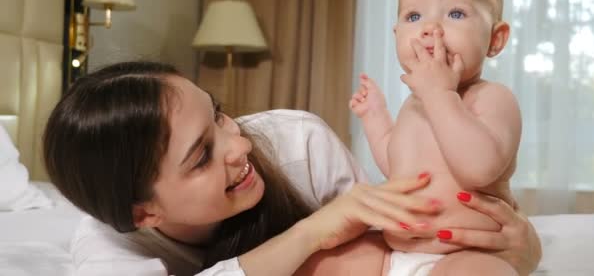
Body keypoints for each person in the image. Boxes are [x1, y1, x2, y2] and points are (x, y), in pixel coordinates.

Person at [44, 61, 540, 276]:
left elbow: (397, 257)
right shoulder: (109, 239)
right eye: (201, 156)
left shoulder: (297, 141)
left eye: (218, 114)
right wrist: (310, 233)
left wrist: (519, 247)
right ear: (144, 212)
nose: (238, 145)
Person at [351, 0, 526, 275]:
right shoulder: (413, 105)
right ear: (396, 34)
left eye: (456, 13)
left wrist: (440, 95)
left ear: (495, 39)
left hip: (465, 253)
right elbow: (399, 169)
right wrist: (376, 119)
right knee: (329, 257)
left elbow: (479, 169)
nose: (430, 28)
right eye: (413, 15)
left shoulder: (492, 99)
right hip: (396, 251)